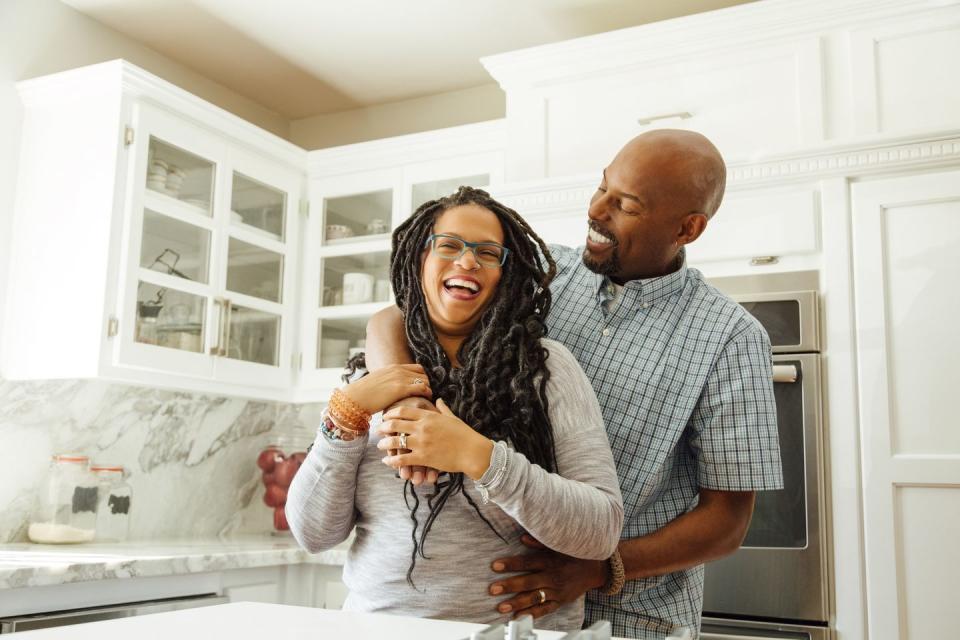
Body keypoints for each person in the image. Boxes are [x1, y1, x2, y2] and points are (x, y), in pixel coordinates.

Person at [365, 129, 783, 639]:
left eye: (625, 204)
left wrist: (601, 568)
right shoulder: (542, 274)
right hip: (511, 612)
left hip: (636, 617)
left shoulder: (730, 337)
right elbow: (398, 315)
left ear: (687, 228)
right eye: (601, 187)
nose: (596, 210)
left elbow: (726, 522)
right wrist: (407, 405)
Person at [285, 186, 624, 631]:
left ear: (505, 274)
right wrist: (343, 419)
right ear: (418, 259)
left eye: (488, 253)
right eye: (449, 246)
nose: (467, 262)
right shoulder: (368, 379)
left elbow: (600, 530)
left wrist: (478, 456)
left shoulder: (546, 368)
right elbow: (312, 534)